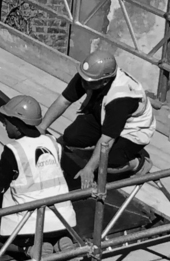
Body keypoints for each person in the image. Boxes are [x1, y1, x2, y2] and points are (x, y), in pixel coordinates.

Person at [39, 49, 157, 198]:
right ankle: (104, 152)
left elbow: (107, 138)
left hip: (133, 130)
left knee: (107, 162)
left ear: (105, 81)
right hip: (103, 115)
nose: (83, 84)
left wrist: (88, 169)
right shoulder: (90, 76)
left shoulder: (120, 99)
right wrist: (42, 127)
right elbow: (64, 100)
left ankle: (138, 163)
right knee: (71, 137)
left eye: (88, 83)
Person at [0, 96, 79, 261]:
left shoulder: (13, 150)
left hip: (31, 223)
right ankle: (63, 243)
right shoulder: (52, 142)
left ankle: (33, 252)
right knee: (53, 232)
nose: (4, 125)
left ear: (16, 124)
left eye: (6, 121)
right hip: (63, 218)